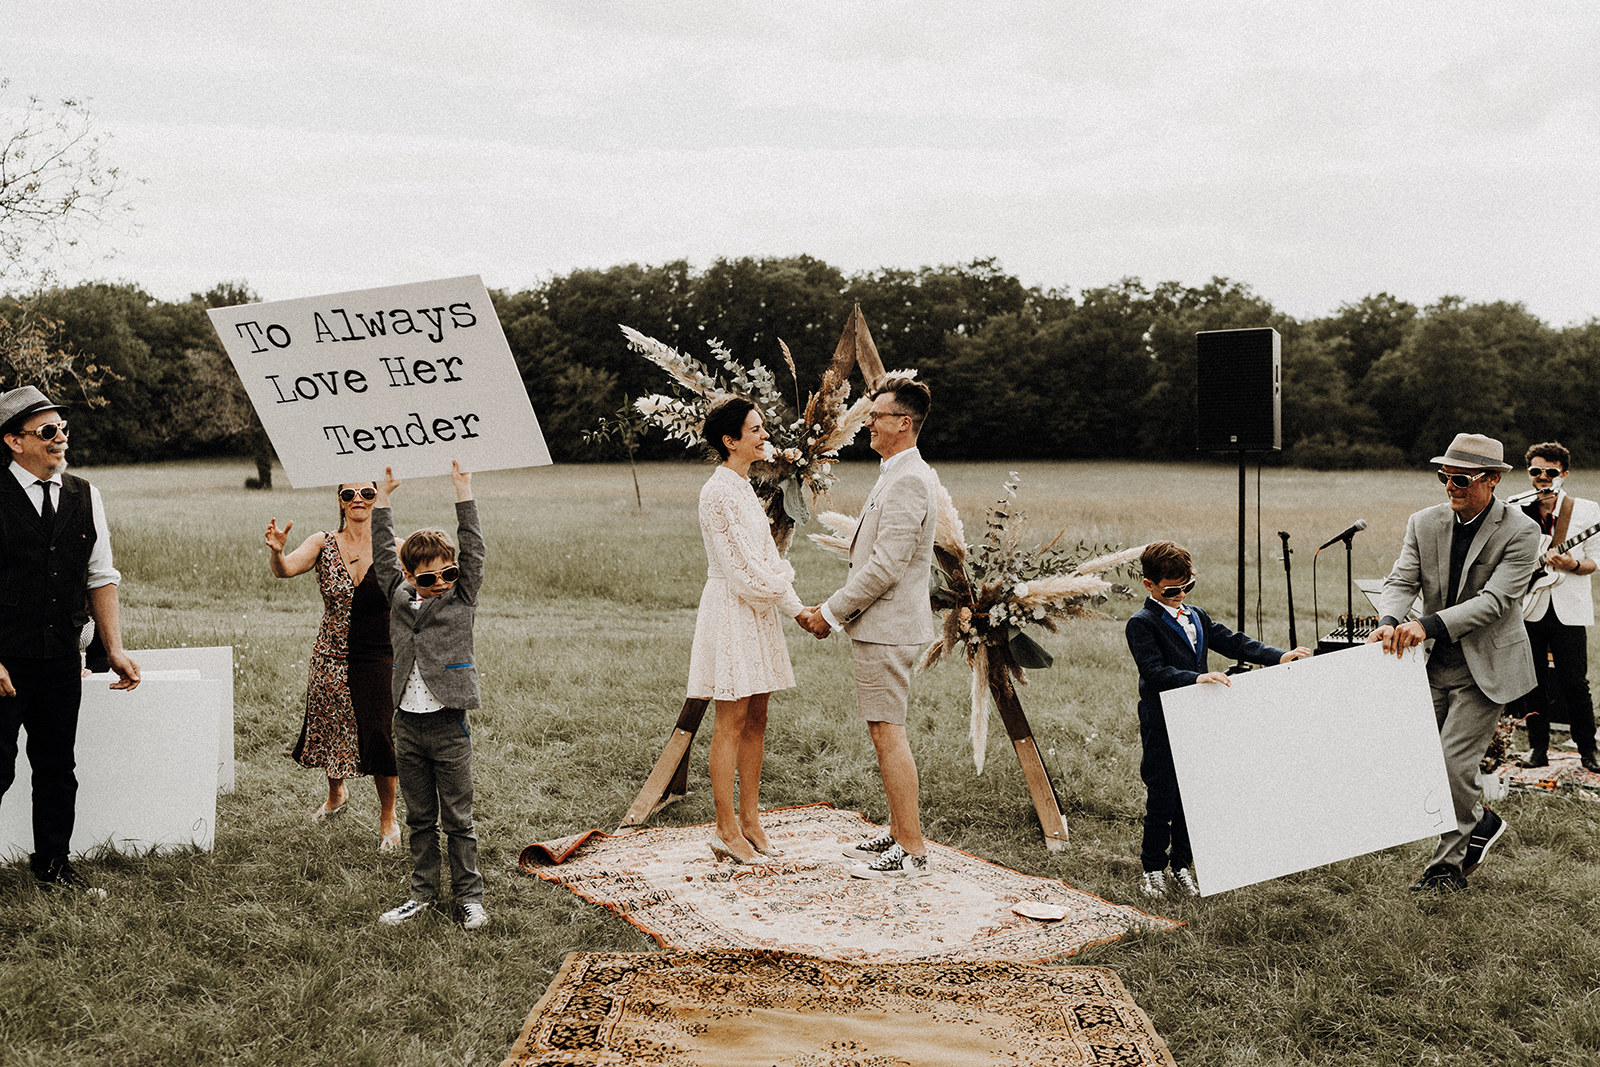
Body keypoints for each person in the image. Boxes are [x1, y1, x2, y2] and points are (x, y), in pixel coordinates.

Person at [1370, 432, 1540, 892]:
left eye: (1461, 479)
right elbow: (1402, 580)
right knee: (1422, 763)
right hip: (1429, 665)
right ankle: (1480, 821)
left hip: (1485, 669)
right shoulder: (1423, 522)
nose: (1450, 486)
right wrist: (1389, 618)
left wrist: (1427, 624)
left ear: (1491, 481)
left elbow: (1497, 601)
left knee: (1451, 763)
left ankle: (1446, 868)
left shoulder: (1523, 531)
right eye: (1444, 476)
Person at [0, 386, 140, 897]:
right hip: (5, 662)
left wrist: (115, 647)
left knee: (57, 767)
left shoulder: (86, 495)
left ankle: (53, 867)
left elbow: (100, 577)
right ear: (14, 441)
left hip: (61, 655)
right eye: (48, 432)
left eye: (63, 431)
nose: (61, 440)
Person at [799, 378, 939, 879]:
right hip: (880, 626)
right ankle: (900, 831)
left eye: (876, 416)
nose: (868, 424)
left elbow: (886, 566)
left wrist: (830, 613)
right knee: (883, 729)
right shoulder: (894, 473)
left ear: (904, 423)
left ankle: (912, 849)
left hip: (888, 627)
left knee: (888, 731)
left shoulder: (909, 480)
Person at [1125, 541, 1309, 898]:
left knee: (1193, 798)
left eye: (1187, 586)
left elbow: (1234, 642)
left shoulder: (1197, 616)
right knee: (1162, 795)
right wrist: (1195, 679)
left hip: (1199, 721)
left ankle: (1182, 865)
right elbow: (1153, 670)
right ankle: (1152, 869)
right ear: (1149, 585)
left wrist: (1278, 656)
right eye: (1172, 590)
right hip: (1162, 722)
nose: (1181, 595)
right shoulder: (1142, 623)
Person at [687, 396, 807, 864]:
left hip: (758, 610)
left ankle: (752, 819)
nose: (764, 435)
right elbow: (741, 571)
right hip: (733, 610)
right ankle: (724, 827)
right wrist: (790, 597)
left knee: (757, 717)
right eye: (754, 429)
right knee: (731, 720)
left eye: (762, 427)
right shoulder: (717, 492)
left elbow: (766, 561)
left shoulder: (744, 487)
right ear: (729, 440)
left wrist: (795, 609)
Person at [372, 461, 490, 930]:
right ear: (408, 576)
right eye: (428, 578)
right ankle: (422, 893)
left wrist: (463, 489)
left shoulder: (462, 597)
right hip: (407, 722)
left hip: (448, 723)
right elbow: (384, 553)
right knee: (420, 817)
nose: (440, 583)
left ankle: (470, 897)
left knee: (458, 817)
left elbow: (474, 551)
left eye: (448, 573)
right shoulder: (397, 596)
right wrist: (382, 499)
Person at [265, 482, 401, 851]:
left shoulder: (395, 547)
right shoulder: (322, 542)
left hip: (378, 654)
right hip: (331, 653)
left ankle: (388, 816)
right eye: (349, 493)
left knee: (380, 734)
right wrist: (277, 552)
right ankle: (336, 793)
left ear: (378, 499)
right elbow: (284, 570)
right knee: (330, 726)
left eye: (368, 493)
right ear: (339, 501)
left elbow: (431, 582)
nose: (358, 498)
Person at [1510, 442, 1600, 773]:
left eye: (1550, 471)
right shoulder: (1516, 510)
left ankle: (1588, 750)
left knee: (1575, 682)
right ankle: (1538, 749)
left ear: (1564, 473)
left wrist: (1572, 564)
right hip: (1528, 607)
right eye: (1536, 471)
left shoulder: (1587, 510)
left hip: (1569, 606)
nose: (1543, 477)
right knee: (1532, 681)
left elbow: (1596, 559)